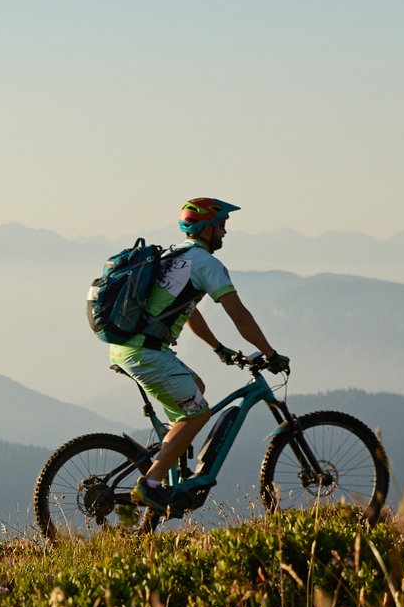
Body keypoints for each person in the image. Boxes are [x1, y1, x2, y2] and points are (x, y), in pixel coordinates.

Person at [111, 200, 289, 507]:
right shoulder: (206, 264)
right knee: (199, 413)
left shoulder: (173, 256)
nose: (224, 232)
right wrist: (269, 352)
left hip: (129, 347)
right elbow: (240, 316)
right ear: (206, 229)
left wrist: (218, 348)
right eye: (221, 226)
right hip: (147, 353)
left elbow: (188, 311)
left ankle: (167, 458)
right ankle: (150, 483)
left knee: (198, 389)